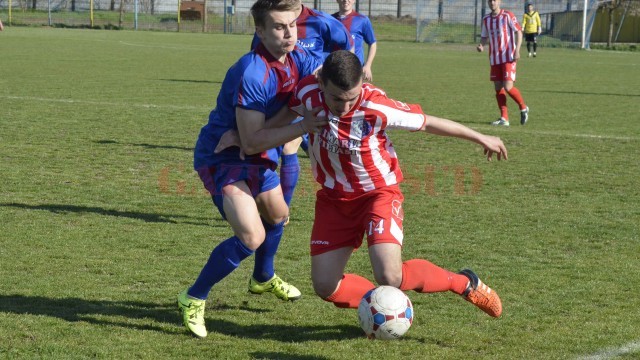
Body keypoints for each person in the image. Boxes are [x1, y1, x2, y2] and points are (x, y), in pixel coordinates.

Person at [286, 50, 506, 319]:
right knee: (325, 285)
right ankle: (383, 309)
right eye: (336, 99)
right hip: (333, 200)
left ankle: (464, 283)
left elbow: (428, 123)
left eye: (351, 98)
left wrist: (480, 137)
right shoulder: (306, 92)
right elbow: (278, 116)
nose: (344, 107)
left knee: (390, 275)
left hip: (377, 193)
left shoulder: (376, 107)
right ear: (321, 83)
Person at [177, 0, 325, 339]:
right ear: (259, 30)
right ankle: (193, 297)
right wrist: (302, 122)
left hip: (250, 149)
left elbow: (326, 75)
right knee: (252, 235)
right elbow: (253, 142)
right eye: (278, 27)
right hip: (222, 159)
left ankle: (262, 277)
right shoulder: (253, 71)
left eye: (292, 25)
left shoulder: (298, 56)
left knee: (278, 215)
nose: (289, 33)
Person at [477, 0, 529, 126]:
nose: (492, 3)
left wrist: (517, 50)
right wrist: (481, 45)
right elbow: (484, 36)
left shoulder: (508, 15)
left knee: (508, 87)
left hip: (508, 57)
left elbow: (519, 32)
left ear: (499, 1)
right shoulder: (486, 19)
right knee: (498, 88)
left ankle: (523, 107)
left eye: (494, 0)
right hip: (494, 58)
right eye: (490, 1)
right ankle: (504, 118)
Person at [332, 0, 377, 82]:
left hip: (355, 68)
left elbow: (372, 43)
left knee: (354, 94)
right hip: (334, 67)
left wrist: (367, 65)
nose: (346, 0)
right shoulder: (330, 20)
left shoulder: (362, 20)